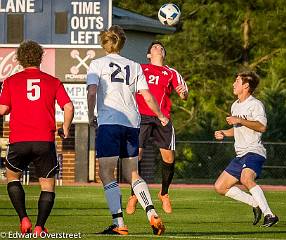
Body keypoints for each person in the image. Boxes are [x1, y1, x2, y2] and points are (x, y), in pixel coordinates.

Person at [87, 25, 168, 236]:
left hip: (110, 121)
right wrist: (160, 115)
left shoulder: (97, 64)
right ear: (122, 44)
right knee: (133, 173)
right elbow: (147, 96)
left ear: (104, 43)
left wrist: (89, 114)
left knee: (106, 172)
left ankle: (119, 223)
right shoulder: (134, 66)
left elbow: (92, 91)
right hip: (132, 122)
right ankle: (151, 212)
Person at [0, 40, 74, 234]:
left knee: (12, 178)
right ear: (40, 58)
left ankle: (24, 218)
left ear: (20, 60)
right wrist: (65, 127)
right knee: (47, 186)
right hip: (44, 140)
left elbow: (3, 109)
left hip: (19, 140)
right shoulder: (53, 81)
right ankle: (40, 226)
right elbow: (68, 106)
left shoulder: (10, 81)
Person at [126, 41, 188, 215]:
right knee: (136, 155)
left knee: (168, 158)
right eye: (154, 47)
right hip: (141, 117)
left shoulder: (171, 72)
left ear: (164, 54)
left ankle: (164, 193)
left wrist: (183, 93)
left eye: (161, 47)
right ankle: (134, 195)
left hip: (162, 118)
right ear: (148, 55)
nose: (158, 48)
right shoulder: (140, 68)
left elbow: (183, 94)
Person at [213, 71, 279, 227]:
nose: (233, 84)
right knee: (220, 187)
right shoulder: (235, 105)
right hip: (240, 154)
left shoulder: (255, 104)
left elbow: (262, 126)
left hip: (254, 151)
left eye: (237, 81)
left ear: (246, 86)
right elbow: (237, 130)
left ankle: (270, 215)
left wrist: (240, 120)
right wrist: (224, 132)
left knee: (246, 179)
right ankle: (254, 203)